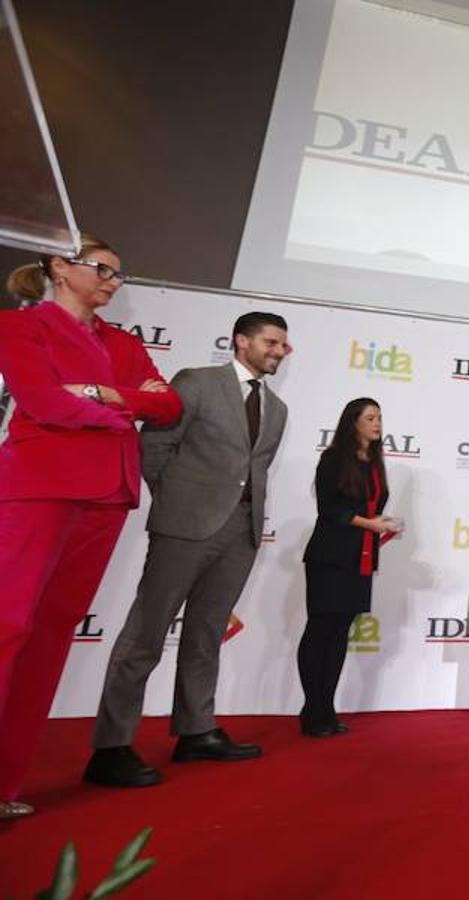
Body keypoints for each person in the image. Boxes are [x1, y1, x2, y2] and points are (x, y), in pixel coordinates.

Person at [0, 236, 182, 818]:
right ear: (59, 267)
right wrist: (125, 408)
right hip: (40, 484)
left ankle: (5, 786)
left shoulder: (123, 344)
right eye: (102, 269)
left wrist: (104, 395)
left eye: (118, 275)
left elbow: (169, 406)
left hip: (107, 495)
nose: (112, 281)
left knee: (51, 637)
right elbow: (45, 403)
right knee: (8, 625)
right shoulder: (20, 327)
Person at [84, 312, 290, 788]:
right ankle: (111, 747)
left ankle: (196, 731)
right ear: (241, 341)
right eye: (271, 342)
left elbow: (253, 471)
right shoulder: (197, 382)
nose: (279, 351)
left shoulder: (277, 409)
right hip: (184, 526)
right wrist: (176, 503)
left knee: (205, 635)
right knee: (146, 634)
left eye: (283, 345)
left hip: (241, 533)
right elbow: (155, 445)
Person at [297, 398, 400, 737]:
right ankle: (313, 711)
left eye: (380, 418)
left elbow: (371, 507)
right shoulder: (333, 459)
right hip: (331, 556)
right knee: (320, 630)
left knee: (340, 634)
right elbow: (329, 510)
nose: (377, 423)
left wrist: (381, 524)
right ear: (352, 422)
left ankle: (326, 709)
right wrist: (368, 524)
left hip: (361, 558)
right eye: (370, 418)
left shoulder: (374, 462)